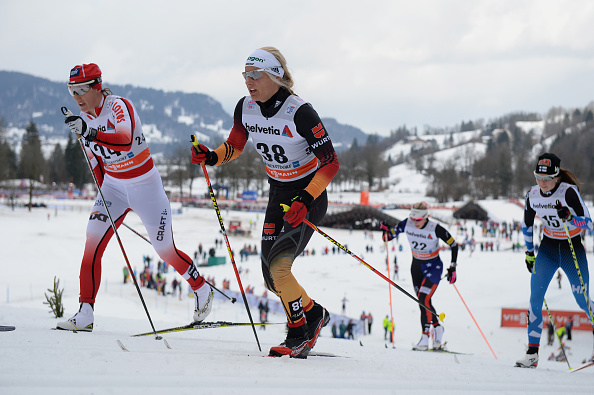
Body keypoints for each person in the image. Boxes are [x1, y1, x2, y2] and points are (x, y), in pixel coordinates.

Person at [190, 47, 339, 358]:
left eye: (255, 75)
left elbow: (330, 162)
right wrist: (212, 156)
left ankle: (298, 334)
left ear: (276, 76)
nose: (249, 82)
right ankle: (314, 315)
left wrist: (306, 197)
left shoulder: (299, 111)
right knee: (272, 279)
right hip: (279, 194)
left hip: (307, 195)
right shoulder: (245, 108)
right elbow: (235, 144)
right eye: (245, 75)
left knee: (280, 269)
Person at [56, 63, 213, 332]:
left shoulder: (119, 106)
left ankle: (200, 286)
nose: (78, 97)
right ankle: (85, 312)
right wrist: (104, 197)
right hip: (114, 188)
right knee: (92, 242)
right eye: (72, 91)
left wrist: (89, 132)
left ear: (97, 87)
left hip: (146, 187)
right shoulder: (83, 122)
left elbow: (125, 139)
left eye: (82, 90)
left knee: (165, 250)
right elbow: (96, 162)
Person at [515, 153, 594, 368]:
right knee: (535, 299)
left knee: (582, 300)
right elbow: (527, 225)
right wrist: (529, 253)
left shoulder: (569, 192)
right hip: (548, 248)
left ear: (557, 177)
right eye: (539, 177)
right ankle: (532, 353)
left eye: (548, 178)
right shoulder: (532, 194)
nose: (543, 183)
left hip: (571, 249)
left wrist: (570, 218)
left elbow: (588, 224)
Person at [381, 202, 458, 351]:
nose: (415, 223)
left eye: (418, 220)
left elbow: (454, 244)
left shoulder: (435, 228)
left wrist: (453, 267)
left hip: (434, 267)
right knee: (423, 302)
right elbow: (388, 236)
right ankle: (437, 328)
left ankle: (424, 338)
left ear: (426, 217)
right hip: (416, 267)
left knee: (424, 299)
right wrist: (385, 231)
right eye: (413, 219)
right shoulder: (407, 223)